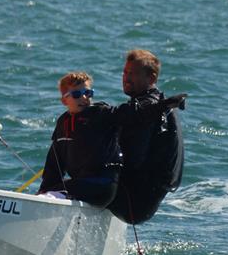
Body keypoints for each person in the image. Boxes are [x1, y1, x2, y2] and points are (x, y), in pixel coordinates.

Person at [38, 71, 185, 208]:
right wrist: (42, 193)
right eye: (77, 94)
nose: (84, 98)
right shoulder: (63, 123)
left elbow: (134, 113)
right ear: (64, 100)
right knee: (52, 190)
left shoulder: (101, 114)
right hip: (81, 184)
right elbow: (54, 163)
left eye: (88, 93)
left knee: (59, 190)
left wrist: (164, 105)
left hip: (103, 185)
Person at [107, 49, 185, 224]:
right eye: (125, 72)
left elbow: (133, 159)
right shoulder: (158, 105)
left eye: (133, 74)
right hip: (142, 199)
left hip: (134, 201)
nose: (126, 78)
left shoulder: (149, 109)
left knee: (69, 186)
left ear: (152, 78)